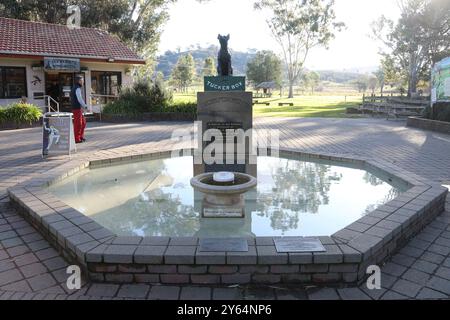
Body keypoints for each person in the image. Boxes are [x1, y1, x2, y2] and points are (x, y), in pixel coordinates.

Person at [70, 76, 88, 143]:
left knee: (83, 123)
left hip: (78, 108)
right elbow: (79, 99)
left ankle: (80, 136)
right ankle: (77, 139)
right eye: (82, 81)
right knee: (78, 124)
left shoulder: (76, 88)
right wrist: (85, 106)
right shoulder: (77, 88)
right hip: (76, 108)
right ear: (79, 81)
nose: (83, 82)